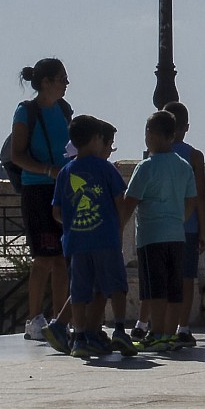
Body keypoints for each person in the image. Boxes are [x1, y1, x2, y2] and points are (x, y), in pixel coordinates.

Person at [4, 59, 73, 343]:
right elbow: (17, 154)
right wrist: (47, 170)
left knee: (62, 260)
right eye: (62, 78)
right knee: (44, 258)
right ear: (46, 82)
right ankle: (33, 319)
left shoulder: (65, 110)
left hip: (62, 190)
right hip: (37, 190)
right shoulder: (26, 112)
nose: (66, 84)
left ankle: (59, 320)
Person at [51, 115, 130, 360]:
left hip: (77, 242)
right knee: (116, 285)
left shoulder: (66, 172)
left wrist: (74, 223)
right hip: (105, 238)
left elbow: (56, 211)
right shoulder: (105, 168)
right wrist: (117, 226)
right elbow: (120, 200)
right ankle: (119, 328)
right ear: (96, 139)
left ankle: (80, 336)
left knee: (80, 289)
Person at [120, 111, 199, 353]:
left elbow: (130, 201)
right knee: (174, 287)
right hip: (176, 235)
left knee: (154, 288)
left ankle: (156, 332)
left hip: (151, 236)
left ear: (151, 135)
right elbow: (191, 201)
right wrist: (177, 220)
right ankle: (168, 333)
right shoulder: (184, 166)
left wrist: (118, 228)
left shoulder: (146, 167)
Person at [163, 101, 205, 324]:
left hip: (161, 225)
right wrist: (203, 230)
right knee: (187, 277)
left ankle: (159, 324)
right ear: (185, 127)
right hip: (188, 225)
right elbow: (200, 195)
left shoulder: (156, 154)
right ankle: (182, 326)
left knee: (164, 276)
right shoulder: (194, 156)